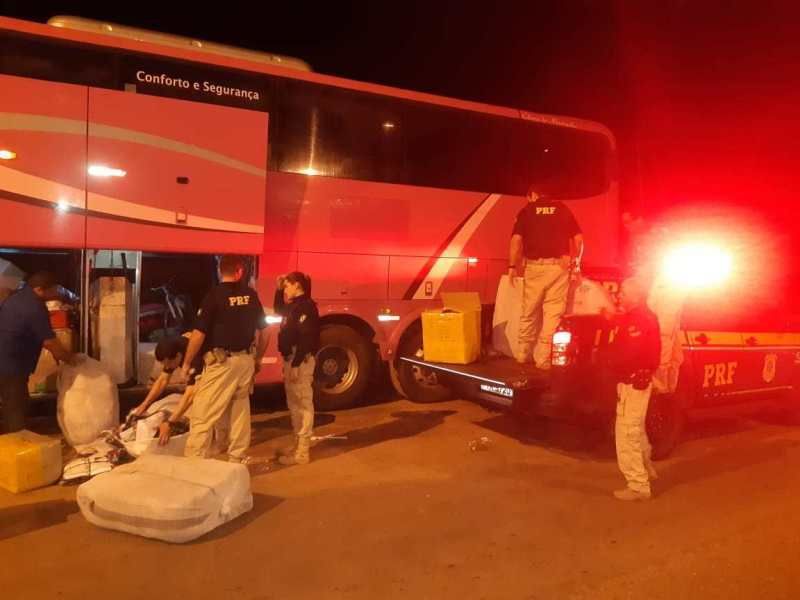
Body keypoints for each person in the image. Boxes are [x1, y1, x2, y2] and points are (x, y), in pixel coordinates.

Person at [179, 255, 269, 462]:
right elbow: (265, 332)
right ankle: (236, 459)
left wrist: (186, 363)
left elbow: (198, 334)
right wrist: (258, 359)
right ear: (240, 271)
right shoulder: (251, 295)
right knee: (239, 410)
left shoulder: (214, 296)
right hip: (245, 361)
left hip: (222, 364)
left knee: (202, 414)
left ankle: (193, 463)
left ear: (221, 271)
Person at [509, 185, 584, 369]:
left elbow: (516, 240)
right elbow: (579, 239)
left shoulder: (526, 211)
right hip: (558, 268)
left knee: (529, 312)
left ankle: (523, 354)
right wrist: (576, 263)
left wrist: (512, 266)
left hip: (534, 268)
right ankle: (543, 359)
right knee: (553, 313)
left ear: (533, 195)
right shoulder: (563, 209)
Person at [605, 277, 661, 501]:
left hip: (632, 384)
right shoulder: (643, 317)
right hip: (637, 383)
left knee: (627, 434)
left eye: (624, 293)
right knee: (636, 429)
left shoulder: (638, 321)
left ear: (636, 296)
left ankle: (638, 485)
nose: (619, 296)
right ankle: (646, 469)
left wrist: (607, 364)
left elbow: (628, 353)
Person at [0, 271, 76, 433]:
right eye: (52, 289)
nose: (55, 292)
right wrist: (72, 360)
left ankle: (14, 435)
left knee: (13, 403)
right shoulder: (34, 306)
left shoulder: (16, 297)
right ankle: (18, 441)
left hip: (7, 360)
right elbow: (49, 342)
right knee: (15, 408)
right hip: (11, 364)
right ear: (40, 289)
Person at [622, 211, 685, 394]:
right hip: (655, 286)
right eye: (624, 223)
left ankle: (659, 383)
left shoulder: (660, 235)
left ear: (640, 219)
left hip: (668, 284)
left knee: (663, 332)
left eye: (629, 222)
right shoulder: (636, 240)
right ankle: (669, 384)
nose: (627, 227)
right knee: (669, 336)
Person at [275, 272, 320, 466]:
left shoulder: (306, 307)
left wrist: (295, 364)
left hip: (299, 360)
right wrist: (278, 290)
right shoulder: (293, 306)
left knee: (302, 404)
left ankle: (302, 452)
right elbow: (278, 309)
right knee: (294, 404)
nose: (285, 289)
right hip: (291, 358)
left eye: (287, 286)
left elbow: (306, 338)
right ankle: (297, 444)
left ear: (297, 285)